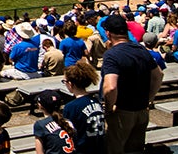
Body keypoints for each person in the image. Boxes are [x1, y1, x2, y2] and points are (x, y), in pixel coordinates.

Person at [100, 13, 161, 154]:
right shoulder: (141, 49)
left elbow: (110, 87)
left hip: (122, 112)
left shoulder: (111, 55)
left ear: (108, 33)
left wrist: (108, 108)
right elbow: (158, 75)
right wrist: (149, 99)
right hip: (142, 111)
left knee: (115, 150)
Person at [62, 61, 104, 154]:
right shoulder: (96, 101)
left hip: (82, 149)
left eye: (64, 81)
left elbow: (68, 134)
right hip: (99, 148)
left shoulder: (71, 107)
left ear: (70, 83)